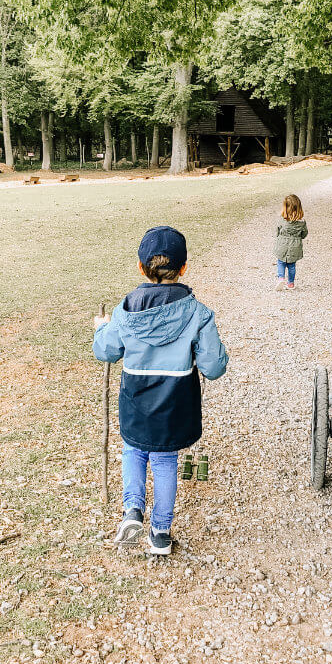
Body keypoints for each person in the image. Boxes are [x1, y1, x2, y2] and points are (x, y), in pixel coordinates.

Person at [93, 225, 228, 555]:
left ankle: (132, 509)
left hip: (136, 401)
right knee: (165, 462)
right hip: (175, 403)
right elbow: (214, 367)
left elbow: (105, 352)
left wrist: (101, 330)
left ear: (141, 268)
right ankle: (160, 535)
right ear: (184, 268)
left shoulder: (124, 312)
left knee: (133, 450)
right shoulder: (198, 313)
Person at [274, 193, 308, 290]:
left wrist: (278, 236)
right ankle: (291, 283)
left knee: (281, 262)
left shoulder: (282, 220)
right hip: (295, 246)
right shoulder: (302, 222)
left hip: (282, 245)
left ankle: (281, 278)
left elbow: (277, 230)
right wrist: (299, 237)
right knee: (292, 265)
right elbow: (304, 234)